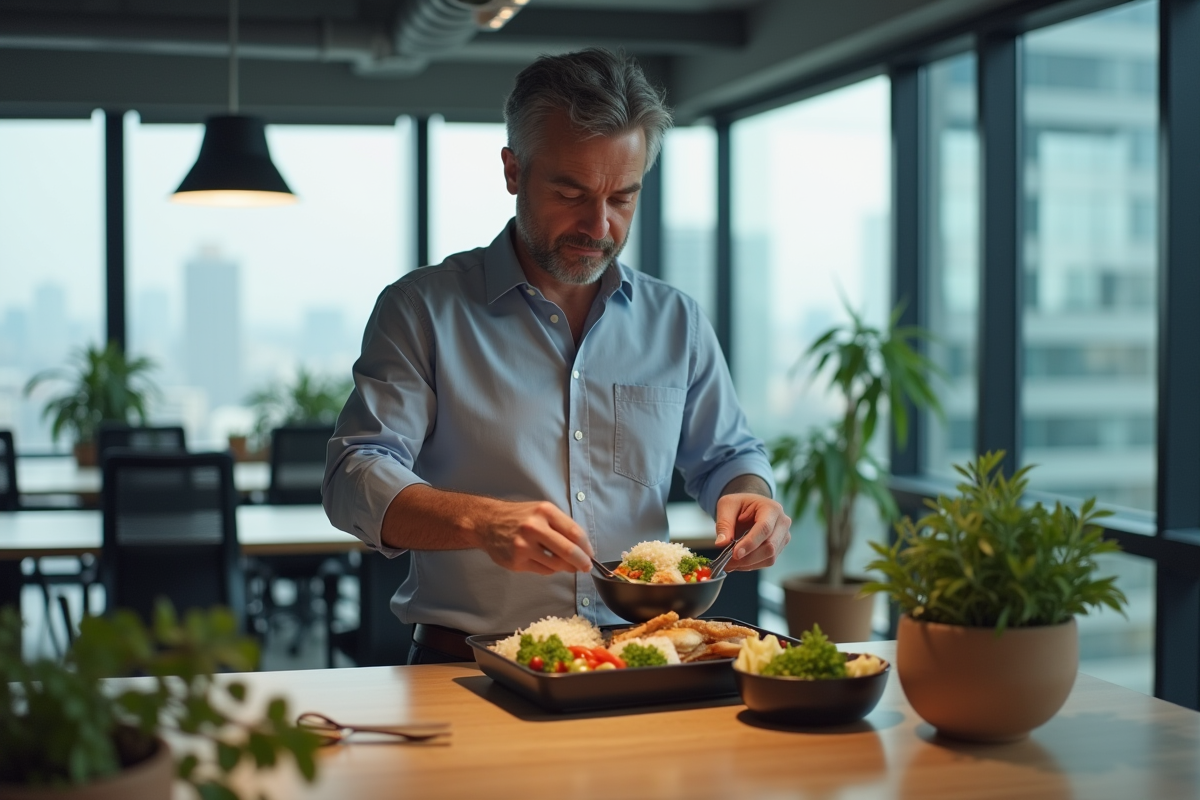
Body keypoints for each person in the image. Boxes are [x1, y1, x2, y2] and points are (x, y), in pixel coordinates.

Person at [323, 48, 792, 665]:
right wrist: (480, 522)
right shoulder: (421, 309)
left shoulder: (676, 321)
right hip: (464, 669)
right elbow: (353, 473)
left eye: (622, 197)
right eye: (570, 192)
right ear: (514, 170)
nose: (598, 224)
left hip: (632, 663)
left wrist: (751, 494)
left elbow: (729, 457)